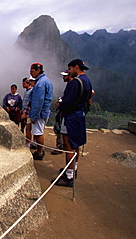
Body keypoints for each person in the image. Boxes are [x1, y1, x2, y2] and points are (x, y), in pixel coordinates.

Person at [53, 59, 93, 187]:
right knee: (76, 144)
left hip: (70, 117)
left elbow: (68, 101)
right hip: (79, 116)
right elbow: (88, 98)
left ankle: (69, 176)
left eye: (69, 69)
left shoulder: (75, 82)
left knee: (68, 146)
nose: (69, 72)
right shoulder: (87, 81)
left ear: (76, 67)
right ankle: (73, 169)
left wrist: (60, 104)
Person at [29, 63, 53, 160]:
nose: (31, 73)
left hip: (39, 113)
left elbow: (38, 102)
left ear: (38, 71)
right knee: (39, 132)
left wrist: (34, 116)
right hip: (44, 111)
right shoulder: (46, 81)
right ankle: (40, 150)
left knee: (38, 133)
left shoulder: (40, 84)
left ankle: (40, 152)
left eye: (32, 71)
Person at [51, 70, 73, 155]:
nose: (63, 77)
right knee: (59, 129)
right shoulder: (69, 86)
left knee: (60, 130)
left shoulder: (72, 86)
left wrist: (61, 104)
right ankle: (61, 146)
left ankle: (60, 146)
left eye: (65, 76)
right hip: (63, 112)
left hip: (65, 114)